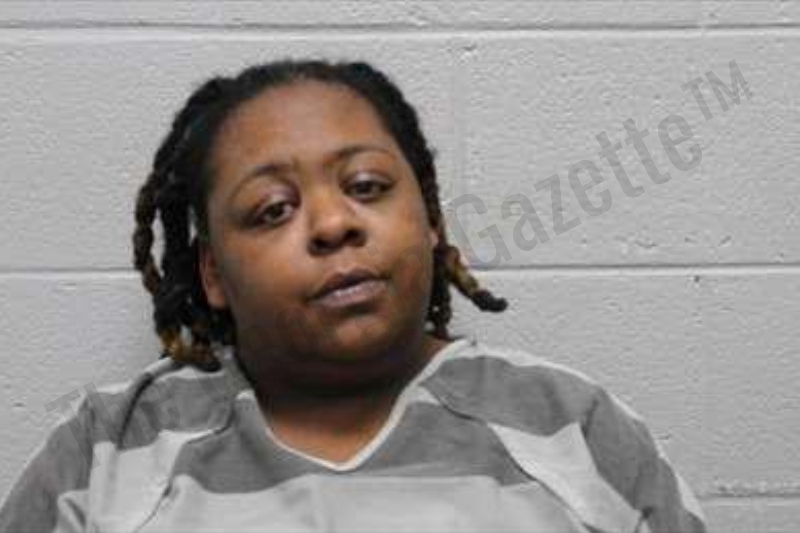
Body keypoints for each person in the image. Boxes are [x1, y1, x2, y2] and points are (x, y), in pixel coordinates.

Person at [0, 59, 706, 532]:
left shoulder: (570, 427)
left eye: (367, 186)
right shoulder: (108, 450)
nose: (334, 223)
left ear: (430, 220)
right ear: (212, 274)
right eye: (273, 209)